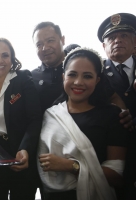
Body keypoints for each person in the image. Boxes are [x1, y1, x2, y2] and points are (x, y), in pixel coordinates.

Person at [38, 47, 128, 200]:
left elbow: (117, 175)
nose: (78, 82)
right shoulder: (51, 115)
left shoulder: (112, 116)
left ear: (97, 80)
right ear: (63, 77)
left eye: (87, 76)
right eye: (72, 74)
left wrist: (71, 166)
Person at [0, 37, 42, 200]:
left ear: (12, 58)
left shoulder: (23, 79)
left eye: (5, 55)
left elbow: (35, 119)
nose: (0, 61)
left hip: (19, 150)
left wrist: (25, 148)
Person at [97, 12, 136, 199]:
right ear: (104, 47)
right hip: (111, 156)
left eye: (124, 36)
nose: (117, 41)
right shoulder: (94, 75)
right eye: (111, 38)